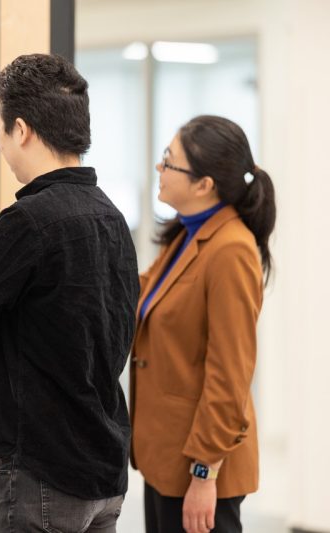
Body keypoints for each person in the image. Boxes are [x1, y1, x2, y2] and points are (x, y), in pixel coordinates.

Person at [0, 53, 139, 533]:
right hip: (105, 466)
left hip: (45, 472)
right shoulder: (111, 218)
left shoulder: (30, 221)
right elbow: (82, 342)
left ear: (22, 130)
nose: (0, 143)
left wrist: (10, 356)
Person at [131, 115, 276, 533]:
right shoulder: (188, 235)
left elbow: (230, 374)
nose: (159, 169)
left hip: (201, 465)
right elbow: (143, 299)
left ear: (203, 185)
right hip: (167, 455)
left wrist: (203, 474)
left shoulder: (231, 250)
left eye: (169, 161)